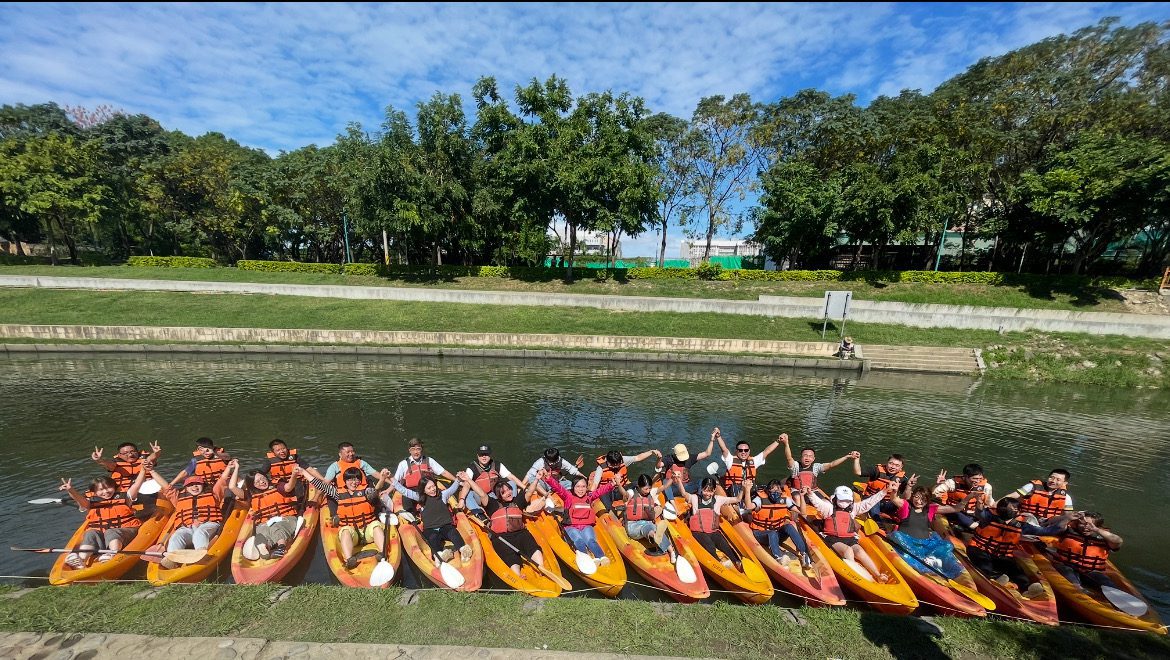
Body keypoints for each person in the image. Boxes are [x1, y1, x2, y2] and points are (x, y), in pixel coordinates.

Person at [966, 496, 1068, 596]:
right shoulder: (988, 518)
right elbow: (980, 512)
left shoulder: (1022, 526)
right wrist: (979, 502)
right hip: (979, 549)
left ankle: (1028, 590)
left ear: (1018, 511)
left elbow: (1045, 531)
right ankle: (995, 579)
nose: (1011, 510)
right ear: (1000, 509)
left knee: (1017, 571)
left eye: (1014, 508)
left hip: (1001, 555)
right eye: (1007, 508)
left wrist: (1067, 519)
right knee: (985, 566)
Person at [147, 459, 238, 568]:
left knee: (200, 533)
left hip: (208, 525)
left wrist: (229, 467)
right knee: (176, 536)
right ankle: (172, 559)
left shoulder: (213, 494)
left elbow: (222, 480)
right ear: (186, 487)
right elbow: (166, 486)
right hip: (187, 528)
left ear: (203, 485)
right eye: (191, 485)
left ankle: (201, 555)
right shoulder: (178, 497)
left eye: (197, 484)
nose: (194, 487)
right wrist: (152, 471)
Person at [58, 462, 151, 569]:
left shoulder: (126, 497)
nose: (106, 492)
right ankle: (81, 560)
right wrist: (71, 490)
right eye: (100, 490)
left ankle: (112, 554)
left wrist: (143, 470)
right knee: (91, 533)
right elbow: (79, 499)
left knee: (111, 531)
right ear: (94, 492)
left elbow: (137, 484)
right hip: (102, 535)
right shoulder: (90, 503)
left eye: (108, 487)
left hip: (126, 531)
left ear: (114, 487)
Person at [805, 482, 897, 582]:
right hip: (833, 538)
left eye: (847, 500)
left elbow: (869, 503)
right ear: (836, 498)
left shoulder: (853, 509)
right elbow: (818, 503)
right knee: (848, 550)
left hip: (850, 538)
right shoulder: (829, 508)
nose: (845, 502)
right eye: (842, 499)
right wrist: (810, 493)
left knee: (859, 551)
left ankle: (877, 575)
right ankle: (856, 575)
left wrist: (884, 491)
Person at [466, 473, 551, 577]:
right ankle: (517, 574)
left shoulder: (517, 501)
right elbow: (482, 494)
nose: (508, 493)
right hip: (501, 537)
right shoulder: (492, 504)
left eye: (509, 489)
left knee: (531, 545)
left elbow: (529, 492)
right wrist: (468, 480)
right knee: (508, 553)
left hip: (520, 533)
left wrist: (537, 479)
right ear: (499, 495)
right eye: (503, 492)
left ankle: (541, 566)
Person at [306, 466, 390, 569]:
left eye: (356, 479)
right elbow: (320, 485)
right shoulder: (338, 494)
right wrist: (303, 471)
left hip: (368, 532)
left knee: (376, 526)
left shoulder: (366, 492)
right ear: (345, 481)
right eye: (350, 479)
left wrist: (382, 478)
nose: (354, 482)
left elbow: (376, 490)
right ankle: (350, 560)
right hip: (353, 535)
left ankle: (382, 553)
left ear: (360, 480)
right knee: (345, 530)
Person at [887, 477, 967, 580]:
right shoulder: (906, 506)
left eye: (923, 500)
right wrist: (894, 491)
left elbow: (957, 508)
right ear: (913, 496)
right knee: (897, 537)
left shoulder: (930, 509)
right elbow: (893, 498)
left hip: (924, 544)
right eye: (916, 497)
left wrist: (969, 497)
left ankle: (933, 562)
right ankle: (924, 566)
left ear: (927, 501)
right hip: (905, 542)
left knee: (947, 545)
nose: (919, 501)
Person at [385, 472, 473, 564]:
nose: (433, 489)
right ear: (423, 490)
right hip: (430, 529)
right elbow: (404, 491)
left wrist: (458, 479)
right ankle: (439, 555)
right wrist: (391, 477)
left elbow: (452, 489)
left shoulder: (443, 495)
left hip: (445, 526)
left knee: (453, 533)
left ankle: (463, 549)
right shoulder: (420, 498)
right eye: (429, 488)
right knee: (433, 539)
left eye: (433, 486)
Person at [543, 470, 617, 564]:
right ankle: (586, 558)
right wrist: (549, 479)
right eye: (578, 486)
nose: (581, 489)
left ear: (587, 488)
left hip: (586, 526)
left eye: (583, 487)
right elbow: (559, 488)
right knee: (579, 540)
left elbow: (600, 491)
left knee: (590, 540)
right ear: (573, 487)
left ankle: (601, 557)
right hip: (570, 526)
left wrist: (611, 484)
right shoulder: (568, 496)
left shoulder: (589, 496)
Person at [229, 467, 302, 560]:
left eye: (262, 478)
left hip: (286, 518)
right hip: (265, 522)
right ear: (253, 485)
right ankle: (263, 546)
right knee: (262, 531)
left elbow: (288, 487)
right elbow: (232, 487)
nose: (262, 482)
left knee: (277, 527)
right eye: (257, 482)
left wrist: (294, 475)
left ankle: (281, 547)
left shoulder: (278, 486)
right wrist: (236, 468)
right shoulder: (250, 495)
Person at [742, 478, 812, 569]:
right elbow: (748, 506)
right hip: (761, 534)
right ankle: (778, 557)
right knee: (772, 533)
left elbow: (802, 512)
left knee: (789, 526)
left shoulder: (785, 499)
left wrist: (802, 496)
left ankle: (804, 554)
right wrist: (747, 490)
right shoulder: (760, 499)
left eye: (778, 489)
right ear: (768, 490)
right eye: (773, 489)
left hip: (777, 534)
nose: (776, 491)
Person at [1047, 511, 1123, 592]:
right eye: (1082, 524)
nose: (1085, 527)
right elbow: (1052, 522)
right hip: (1067, 566)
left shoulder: (1105, 539)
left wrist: (1096, 529)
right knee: (1073, 582)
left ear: (1098, 526)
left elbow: (1118, 541)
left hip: (1091, 571)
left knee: (1111, 587)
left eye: (1090, 525)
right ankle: (1080, 591)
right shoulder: (1068, 530)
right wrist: (1068, 518)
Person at [684, 477, 744, 570]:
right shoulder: (695, 498)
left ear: (714, 490)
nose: (708, 494)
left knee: (726, 546)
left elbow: (737, 499)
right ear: (701, 488)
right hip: (699, 533)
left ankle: (737, 561)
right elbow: (684, 494)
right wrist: (679, 481)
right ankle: (719, 565)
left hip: (713, 531)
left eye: (710, 491)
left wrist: (744, 488)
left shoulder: (719, 499)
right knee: (710, 546)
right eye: (705, 490)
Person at [781, 433, 856, 495]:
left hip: (812, 491)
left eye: (810, 456)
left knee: (826, 503)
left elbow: (831, 464)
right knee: (797, 499)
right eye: (805, 456)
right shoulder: (796, 466)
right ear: (801, 457)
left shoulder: (816, 467)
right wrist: (786, 443)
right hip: (797, 491)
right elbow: (789, 458)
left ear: (813, 459)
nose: (807, 458)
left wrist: (846, 457)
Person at [623, 474, 677, 561]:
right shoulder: (632, 493)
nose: (648, 491)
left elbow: (664, 486)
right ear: (639, 487)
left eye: (649, 488)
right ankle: (657, 539)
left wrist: (672, 478)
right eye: (645, 489)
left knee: (653, 527)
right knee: (649, 528)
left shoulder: (651, 492)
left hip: (647, 522)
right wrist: (618, 484)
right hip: (633, 525)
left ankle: (671, 552)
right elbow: (624, 494)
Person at [716, 429, 782, 497]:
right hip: (734, 491)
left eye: (746, 450)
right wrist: (718, 436)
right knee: (735, 487)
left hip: (749, 490)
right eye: (741, 450)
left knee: (764, 487)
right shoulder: (730, 460)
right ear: (737, 451)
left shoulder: (754, 461)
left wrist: (778, 441)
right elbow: (724, 449)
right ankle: (737, 504)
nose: (743, 452)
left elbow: (767, 451)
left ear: (749, 451)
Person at [590, 447, 661, 510]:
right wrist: (590, 497)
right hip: (607, 492)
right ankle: (611, 512)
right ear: (608, 462)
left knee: (637, 483)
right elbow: (595, 484)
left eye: (617, 465)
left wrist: (651, 452)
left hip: (622, 489)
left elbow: (638, 457)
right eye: (613, 465)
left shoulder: (622, 460)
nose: (615, 467)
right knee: (603, 497)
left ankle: (648, 502)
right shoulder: (600, 468)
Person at [463, 444, 525, 515]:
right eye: (481, 454)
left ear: (490, 455)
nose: (484, 456)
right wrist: (462, 500)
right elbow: (467, 485)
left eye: (486, 454)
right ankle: (479, 513)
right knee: (468, 493)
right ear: (477, 455)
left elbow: (511, 477)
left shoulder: (497, 465)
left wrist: (525, 488)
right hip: (482, 497)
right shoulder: (471, 468)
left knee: (512, 483)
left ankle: (513, 505)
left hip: (496, 494)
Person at [393, 438, 457, 506]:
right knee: (407, 504)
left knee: (440, 502)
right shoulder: (403, 464)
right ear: (409, 451)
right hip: (412, 491)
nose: (416, 452)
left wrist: (457, 480)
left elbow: (443, 472)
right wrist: (388, 491)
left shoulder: (429, 460)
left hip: (428, 489)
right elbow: (395, 481)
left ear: (422, 449)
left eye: (418, 449)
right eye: (413, 449)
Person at [932, 464, 993, 530]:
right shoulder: (952, 483)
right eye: (975, 479)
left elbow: (990, 504)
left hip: (973, 515)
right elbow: (935, 492)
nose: (977, 481)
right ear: (966, 477)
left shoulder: (986, 487)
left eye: (980, 479)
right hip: (953, 512)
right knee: (956, 513)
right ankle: (973, 526)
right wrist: (939, 484)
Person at [660, 430, 717, 500]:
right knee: (666, 481)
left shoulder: (690, 458)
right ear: (675, 455)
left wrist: (712, 440)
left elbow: (707, 453)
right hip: (673, 488)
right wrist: (659, 458)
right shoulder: (669, 459)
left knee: (701, 481)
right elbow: (659, 465)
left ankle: (699, 498)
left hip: (686, 488)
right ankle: (670, 500)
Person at [1006, 469, 1074, 524]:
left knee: (1063, 525)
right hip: (1025, 518)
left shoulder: (1066, 497)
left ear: (1064, 483)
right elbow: (1013, 495)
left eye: (1058, 480)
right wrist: (996, 505)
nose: (1053, 481)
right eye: (1051, 477)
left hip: (1047, 523)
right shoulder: (1032, 487)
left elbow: (1068, 515)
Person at [853, 453, 908, 519]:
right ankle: (878, 522)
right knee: (875, 502)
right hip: (871, 499)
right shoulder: (876, 471)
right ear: (887, 463)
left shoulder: (903, 479)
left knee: (905, 505)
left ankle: (901, 521)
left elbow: (907, 498)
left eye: (897, 465)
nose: (893, 467)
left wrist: (909, 486)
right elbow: (858, 472)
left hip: (888, 503)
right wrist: (856, 459)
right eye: (891, 463)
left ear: (901, 467)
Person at [90, 441, 161, 492]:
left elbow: (151, 458)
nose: (130, 455)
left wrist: (156, 453)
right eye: (125, 453)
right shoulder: (115, 463)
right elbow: (108, 465)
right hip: (123, 491)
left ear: (137, 452)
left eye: (133, 451)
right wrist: (99, 460)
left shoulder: (144, 459)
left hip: (147, 488)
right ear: (120, 455)